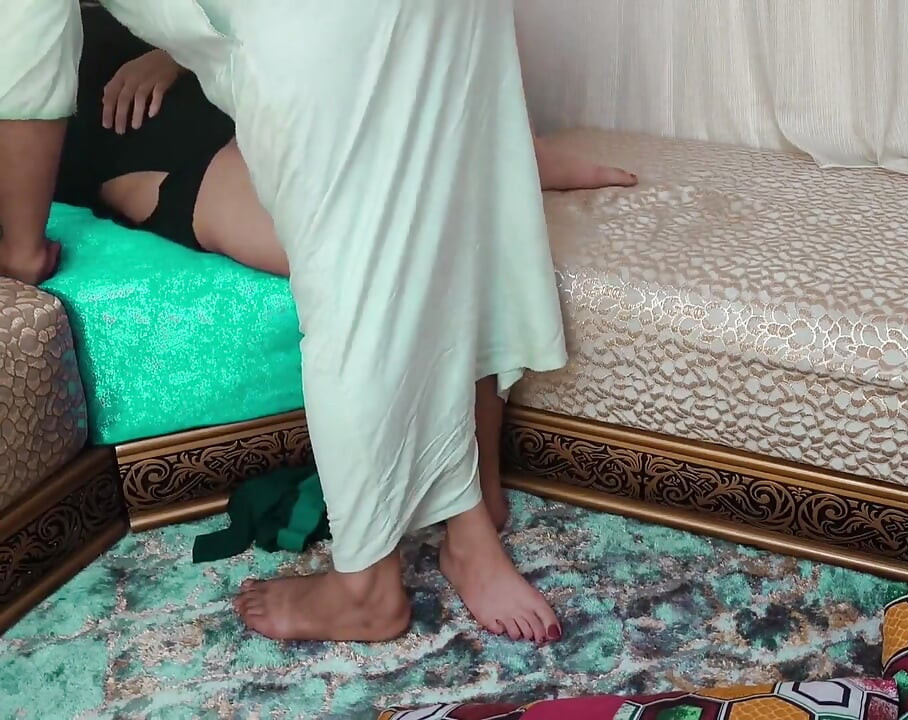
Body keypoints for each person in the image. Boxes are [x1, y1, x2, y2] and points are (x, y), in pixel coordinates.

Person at [0, 0, 613, 644]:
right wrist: (175, 50)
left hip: (242, 84)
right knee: (440, 212)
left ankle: (372, 586)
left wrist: (22, 249)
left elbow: (26, 62)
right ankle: (473, 510)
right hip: (273, 81)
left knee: (369, 269)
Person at [56, 3, 636, 278]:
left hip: (195, 65)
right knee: (374, 254)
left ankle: (510, 152)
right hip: (157, 139)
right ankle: (503, 157)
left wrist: (176, 54)